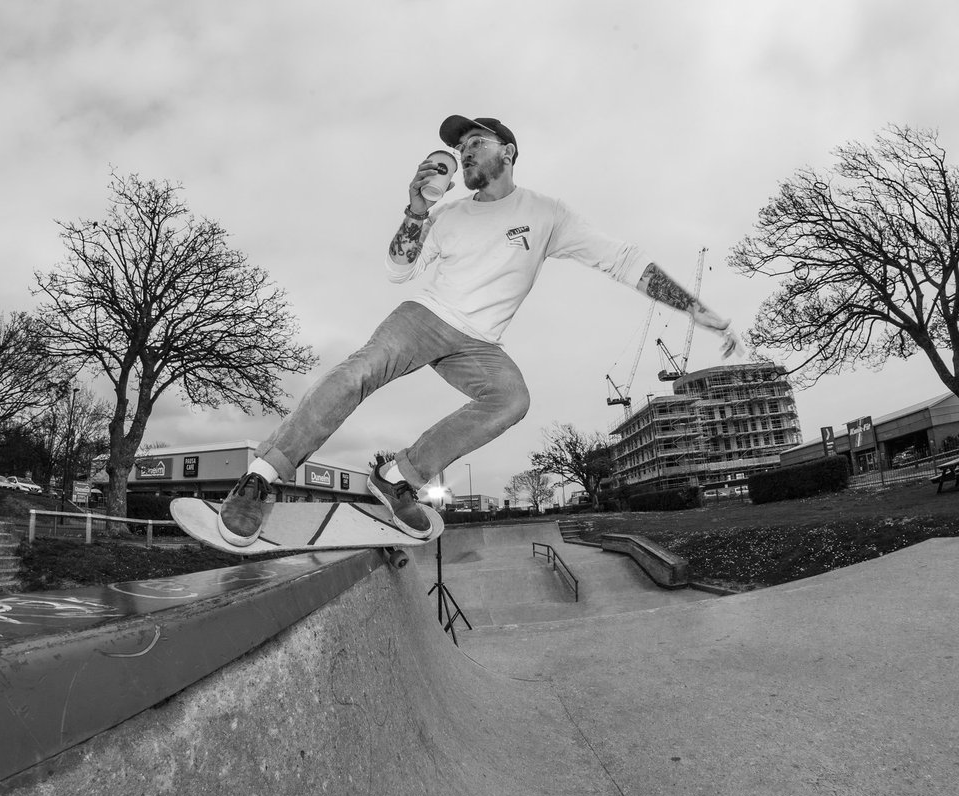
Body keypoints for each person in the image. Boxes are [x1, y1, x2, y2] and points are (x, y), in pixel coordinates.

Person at [216, 114, 740, 546]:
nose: (464, 153)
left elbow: (621, 260)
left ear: (507, 152)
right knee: (362, 369)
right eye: (458, 148)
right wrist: (417, 208)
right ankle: (261, 476)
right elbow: (398, 269)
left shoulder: (546, 213)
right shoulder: (447, 214)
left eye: (474, 143)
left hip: (479, 344)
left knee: (511, 399)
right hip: (424, 317)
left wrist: (694, 308)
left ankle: (397, 478)